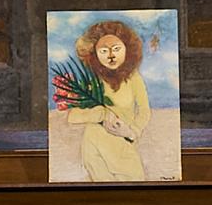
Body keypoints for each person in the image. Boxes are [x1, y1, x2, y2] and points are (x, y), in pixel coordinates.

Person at [58, 16, 159, 182]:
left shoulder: (133, 78)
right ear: (95, 54)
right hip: (94, 148)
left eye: (116, 49)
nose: (111, 56)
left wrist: (132, 132)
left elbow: (144, 111)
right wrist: (102, 114)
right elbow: (73, 116)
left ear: (127, 49)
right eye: (104, 51)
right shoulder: (91, 80)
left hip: (123, 144)